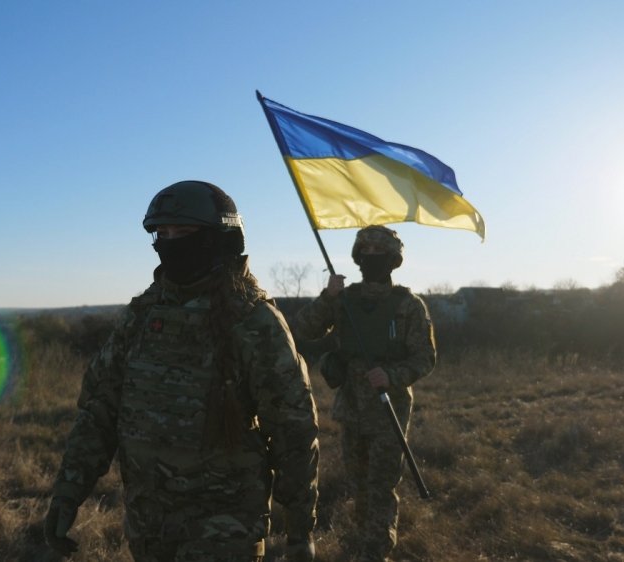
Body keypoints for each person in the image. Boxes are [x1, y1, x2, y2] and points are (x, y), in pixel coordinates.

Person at [44, 180, 319, 562]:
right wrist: (68, 493)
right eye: (162, 233)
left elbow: (293, 428)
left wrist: (300, 528)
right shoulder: (142, 315)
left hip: (224, 528)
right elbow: (98, 412)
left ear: (220, 238)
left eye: (184, 232)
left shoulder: (253, 320)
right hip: (148, 523)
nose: (170, 242)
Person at [290, 225, 436, 562]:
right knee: (358, 486)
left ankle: (376, 552)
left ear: (393, 259)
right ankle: (361, 541)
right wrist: (327, 298)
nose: (371, 258)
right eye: (365, 252)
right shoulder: (344, 301)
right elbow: (303, 329)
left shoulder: (408, 306)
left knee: (381, 488)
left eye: (378, 253)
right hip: (352, 409)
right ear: (357, 257)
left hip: (388, 411)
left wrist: (393, 374)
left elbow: (426, 358)